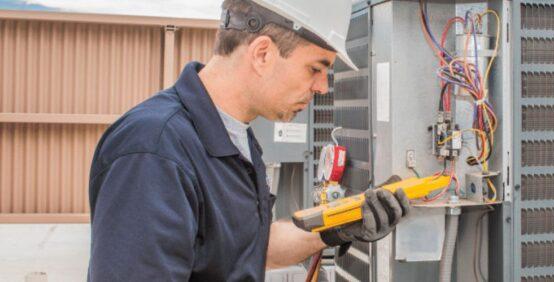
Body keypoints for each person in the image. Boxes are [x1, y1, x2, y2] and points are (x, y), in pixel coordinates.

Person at [87, 0, 410, 280]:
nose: (322, 87)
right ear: (263, 54)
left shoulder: (233, 135)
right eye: (315, 68)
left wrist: (340, 227)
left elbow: (248, 247)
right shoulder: (154, 149)